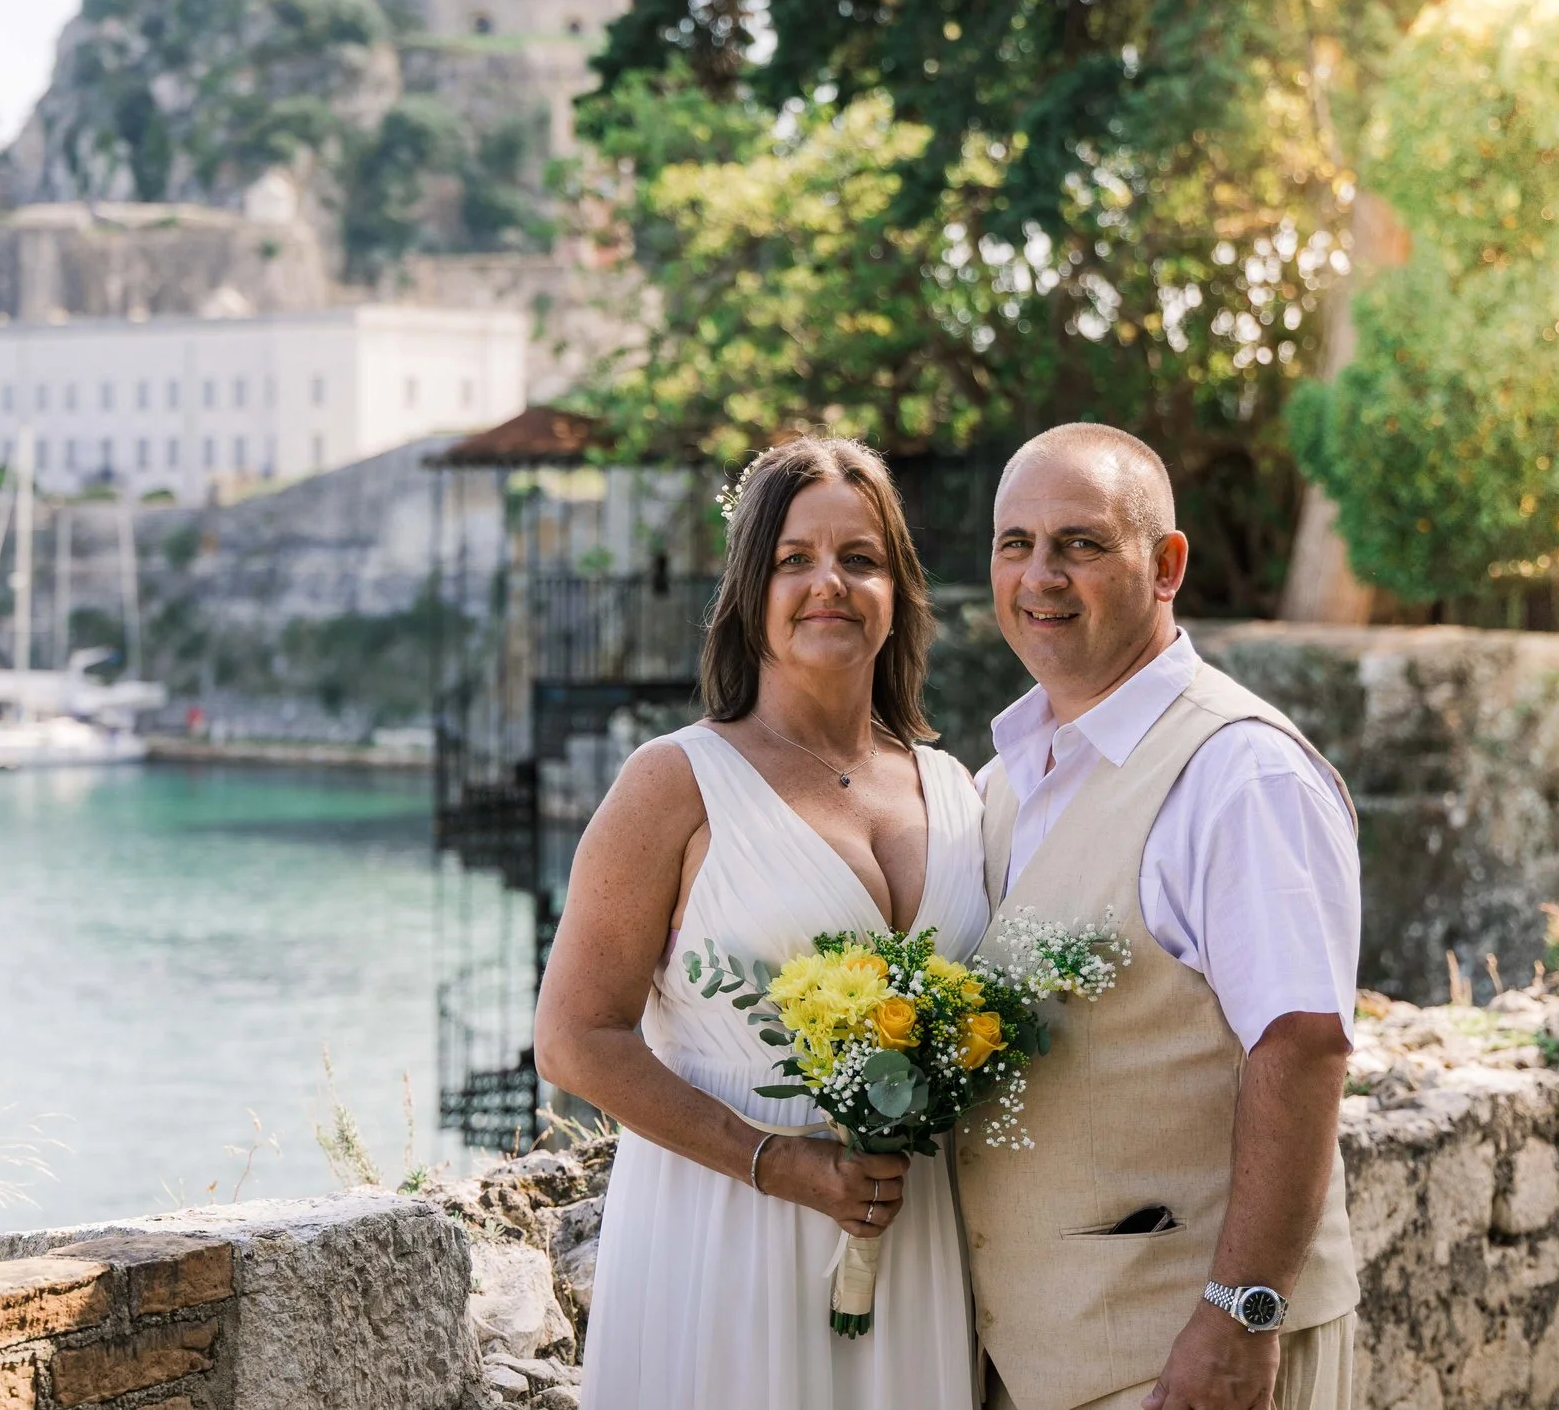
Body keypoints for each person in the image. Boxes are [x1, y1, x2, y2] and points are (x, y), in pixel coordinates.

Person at [536, 435, 988, 1410]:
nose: (827, 581)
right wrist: (778, 1162)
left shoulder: (958, 790)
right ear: (750, 594)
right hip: (721, 1235)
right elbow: (574, 1037)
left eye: (859, 557)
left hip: (910, 1237)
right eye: (793, 559)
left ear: (898, 589)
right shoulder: (675, 782)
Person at [959, 423, 1362, 1410]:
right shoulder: (1000, 783)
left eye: (1081, 543)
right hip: (1045, 1357)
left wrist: (1238, 1315)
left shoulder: (1241, 772)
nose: (1040, 574)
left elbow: (1302, 1043)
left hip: (1192, 1360)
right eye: (1017, 543)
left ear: (1166, 562)